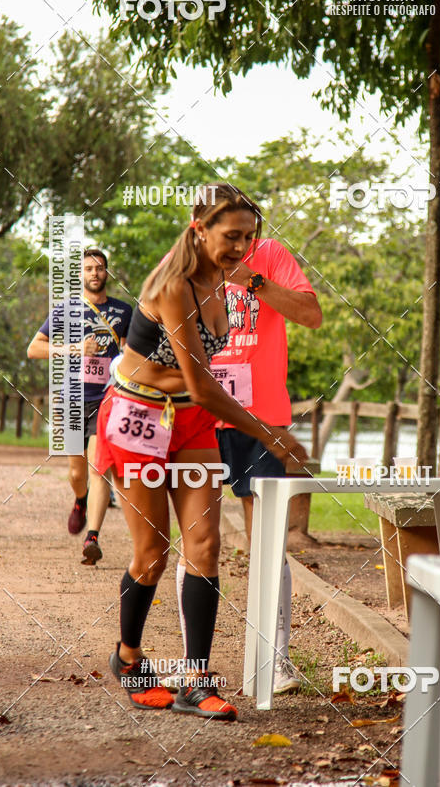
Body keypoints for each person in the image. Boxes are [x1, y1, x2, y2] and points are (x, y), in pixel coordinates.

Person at [94, 184, 307, 718]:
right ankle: (129, 657)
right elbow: (203, 380)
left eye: (249, 237)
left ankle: (196, 678)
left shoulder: (225, 280)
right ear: (199, 229)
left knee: (206, 545)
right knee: (153, 554)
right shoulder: (173, 284)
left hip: (190, 422)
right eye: (231, 236)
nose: (241, 247)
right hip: (138, 418)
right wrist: (269, 432)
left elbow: (206, 386)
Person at [175, 236, 322, 695]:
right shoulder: (184, 263)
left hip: (262, 419)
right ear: (202, 228)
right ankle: (192, 665)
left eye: (243, 229)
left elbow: (310, 316)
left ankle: (274, 662)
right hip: (199, 414)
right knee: (199, 539)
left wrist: (253, 281)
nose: (235, 238)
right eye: (224, 228)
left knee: (268, 543)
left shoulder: (271, 254)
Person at [27, 248, 132, 565]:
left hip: (107, 399)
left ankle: (93, 537)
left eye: (100, 268)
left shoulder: (124, 311)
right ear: (81, 275)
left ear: (107, 273)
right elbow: (34, 349)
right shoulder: (66, 310)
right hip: (71, 398)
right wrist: (76, 349)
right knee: (77, 471)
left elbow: (128, 350)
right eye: (88, 268)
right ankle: (80, 499)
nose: (95, 273)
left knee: (101, 467)